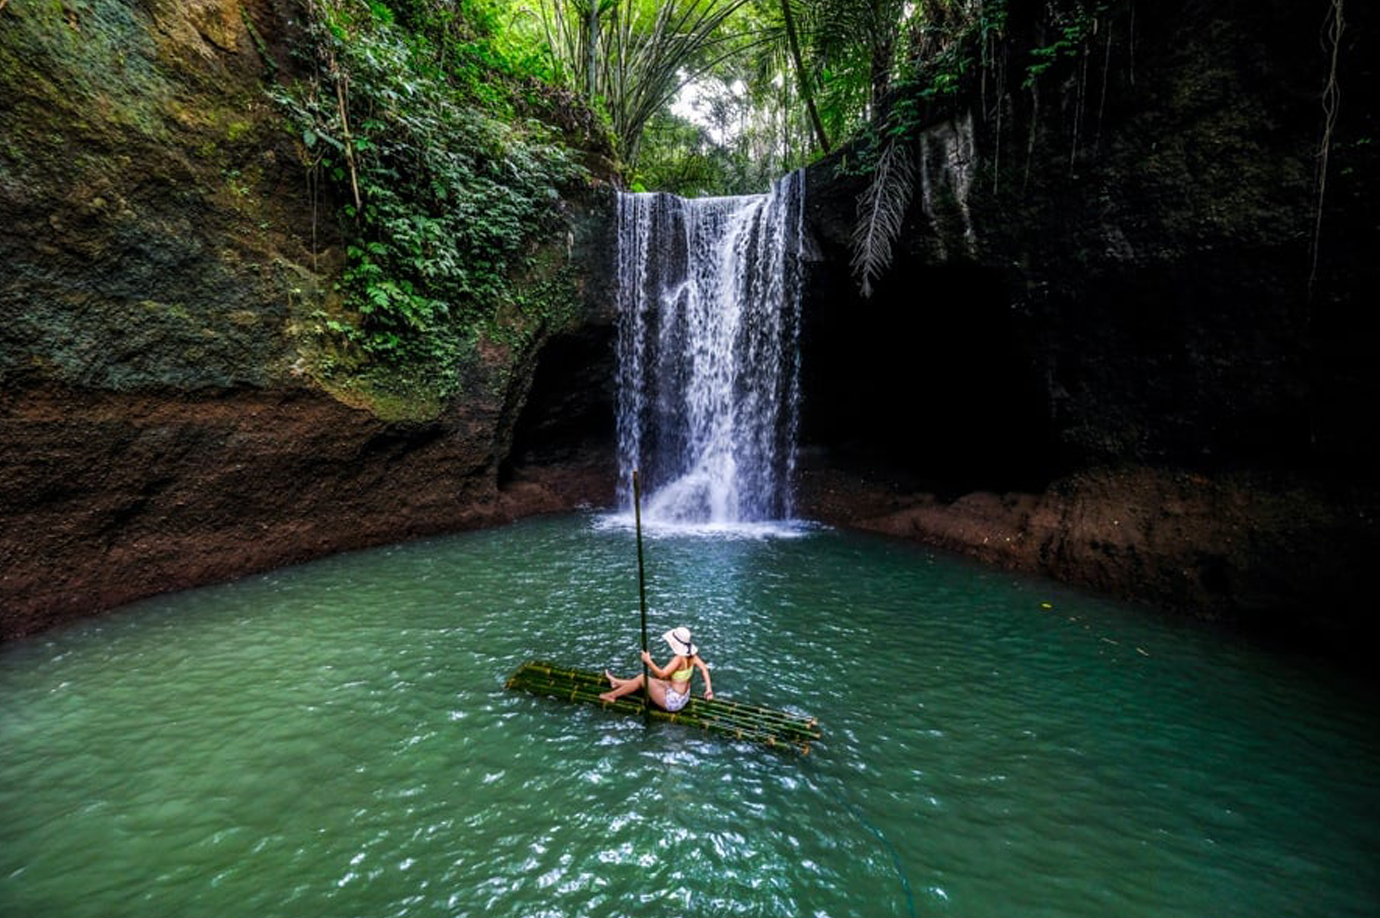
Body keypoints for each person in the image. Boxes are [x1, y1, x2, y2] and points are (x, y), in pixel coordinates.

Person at [600, 626, 713, 712]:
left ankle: (612, 695)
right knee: (652, 681)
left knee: (642, 679)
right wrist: (708, 690)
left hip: (673, 702)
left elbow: (662, 674)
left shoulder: (678, 659)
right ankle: (617, 683)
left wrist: (648, 661)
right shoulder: (692, 656)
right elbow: (704, 669)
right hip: (684, 697)